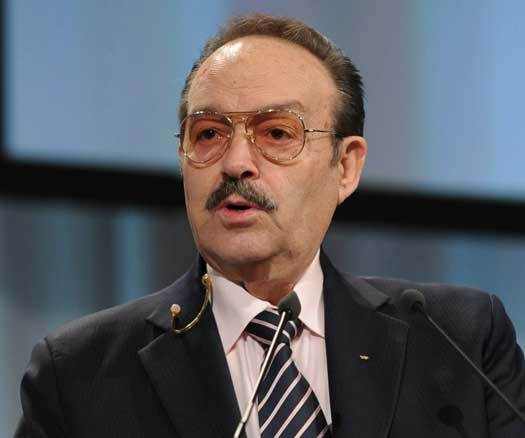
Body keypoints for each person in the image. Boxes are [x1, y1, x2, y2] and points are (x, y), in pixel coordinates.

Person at [16, 14, 525, 438]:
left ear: (346, 167)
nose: (236, 163)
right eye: (208, 133)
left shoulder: (461, 344)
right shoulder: (79, 373)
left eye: (277, 133)